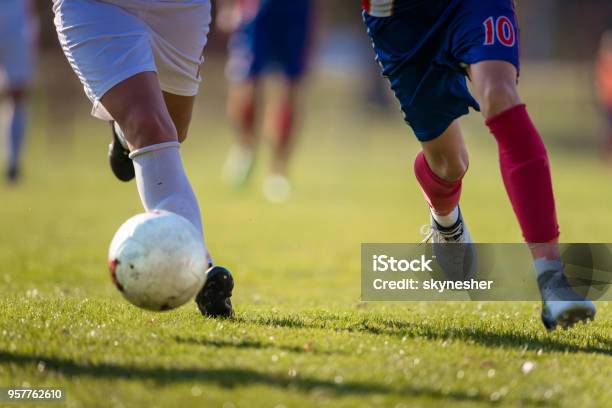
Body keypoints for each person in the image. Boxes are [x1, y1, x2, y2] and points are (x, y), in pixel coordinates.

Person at [362, 0, 596, 329]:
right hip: (400, 20)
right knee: (449, 165)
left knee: (499, 94)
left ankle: (552, 278)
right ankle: (445, 222)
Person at [52, 0, 234, 317]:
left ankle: (125, 135)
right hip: (98, 5)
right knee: (151, 127)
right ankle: (199, 272)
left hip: (180, 8)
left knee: (173, 130)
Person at [219, 0, 314, 202]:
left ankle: (278, 170)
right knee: (246, 81)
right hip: (255, 8)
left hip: (296, 9)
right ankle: (245, 147)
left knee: (290, 86)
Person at [0, 0, 36, 183]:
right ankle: (13, 161)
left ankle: (13, 162)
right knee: (17, 95)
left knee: (17, 93)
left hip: (16, 15)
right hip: (16, 17)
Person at [596, 30, 612, 158]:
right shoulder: (603, 64)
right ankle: (606, 154)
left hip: (608, 99)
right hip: (608, 100)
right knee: (607, 128)